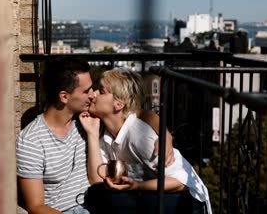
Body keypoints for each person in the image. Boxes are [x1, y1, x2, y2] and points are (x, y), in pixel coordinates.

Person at [16, 57, 174, 214]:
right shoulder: (31, 141)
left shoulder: (87, 119)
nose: (93, 95)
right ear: (64, 96)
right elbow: (36, 206)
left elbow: (137, 113)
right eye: (86, 91)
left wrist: (165, 135)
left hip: (102, 203)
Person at [79, 68, 211, 213]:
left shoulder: (139, 135)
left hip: (187, 201)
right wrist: (92, 133)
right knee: (97, 196)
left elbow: (182, 181)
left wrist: (137, 186)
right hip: (153, 196)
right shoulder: (106, 134)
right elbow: (97, 180)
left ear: (118, 104)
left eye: (102, 91)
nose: (94, 94)